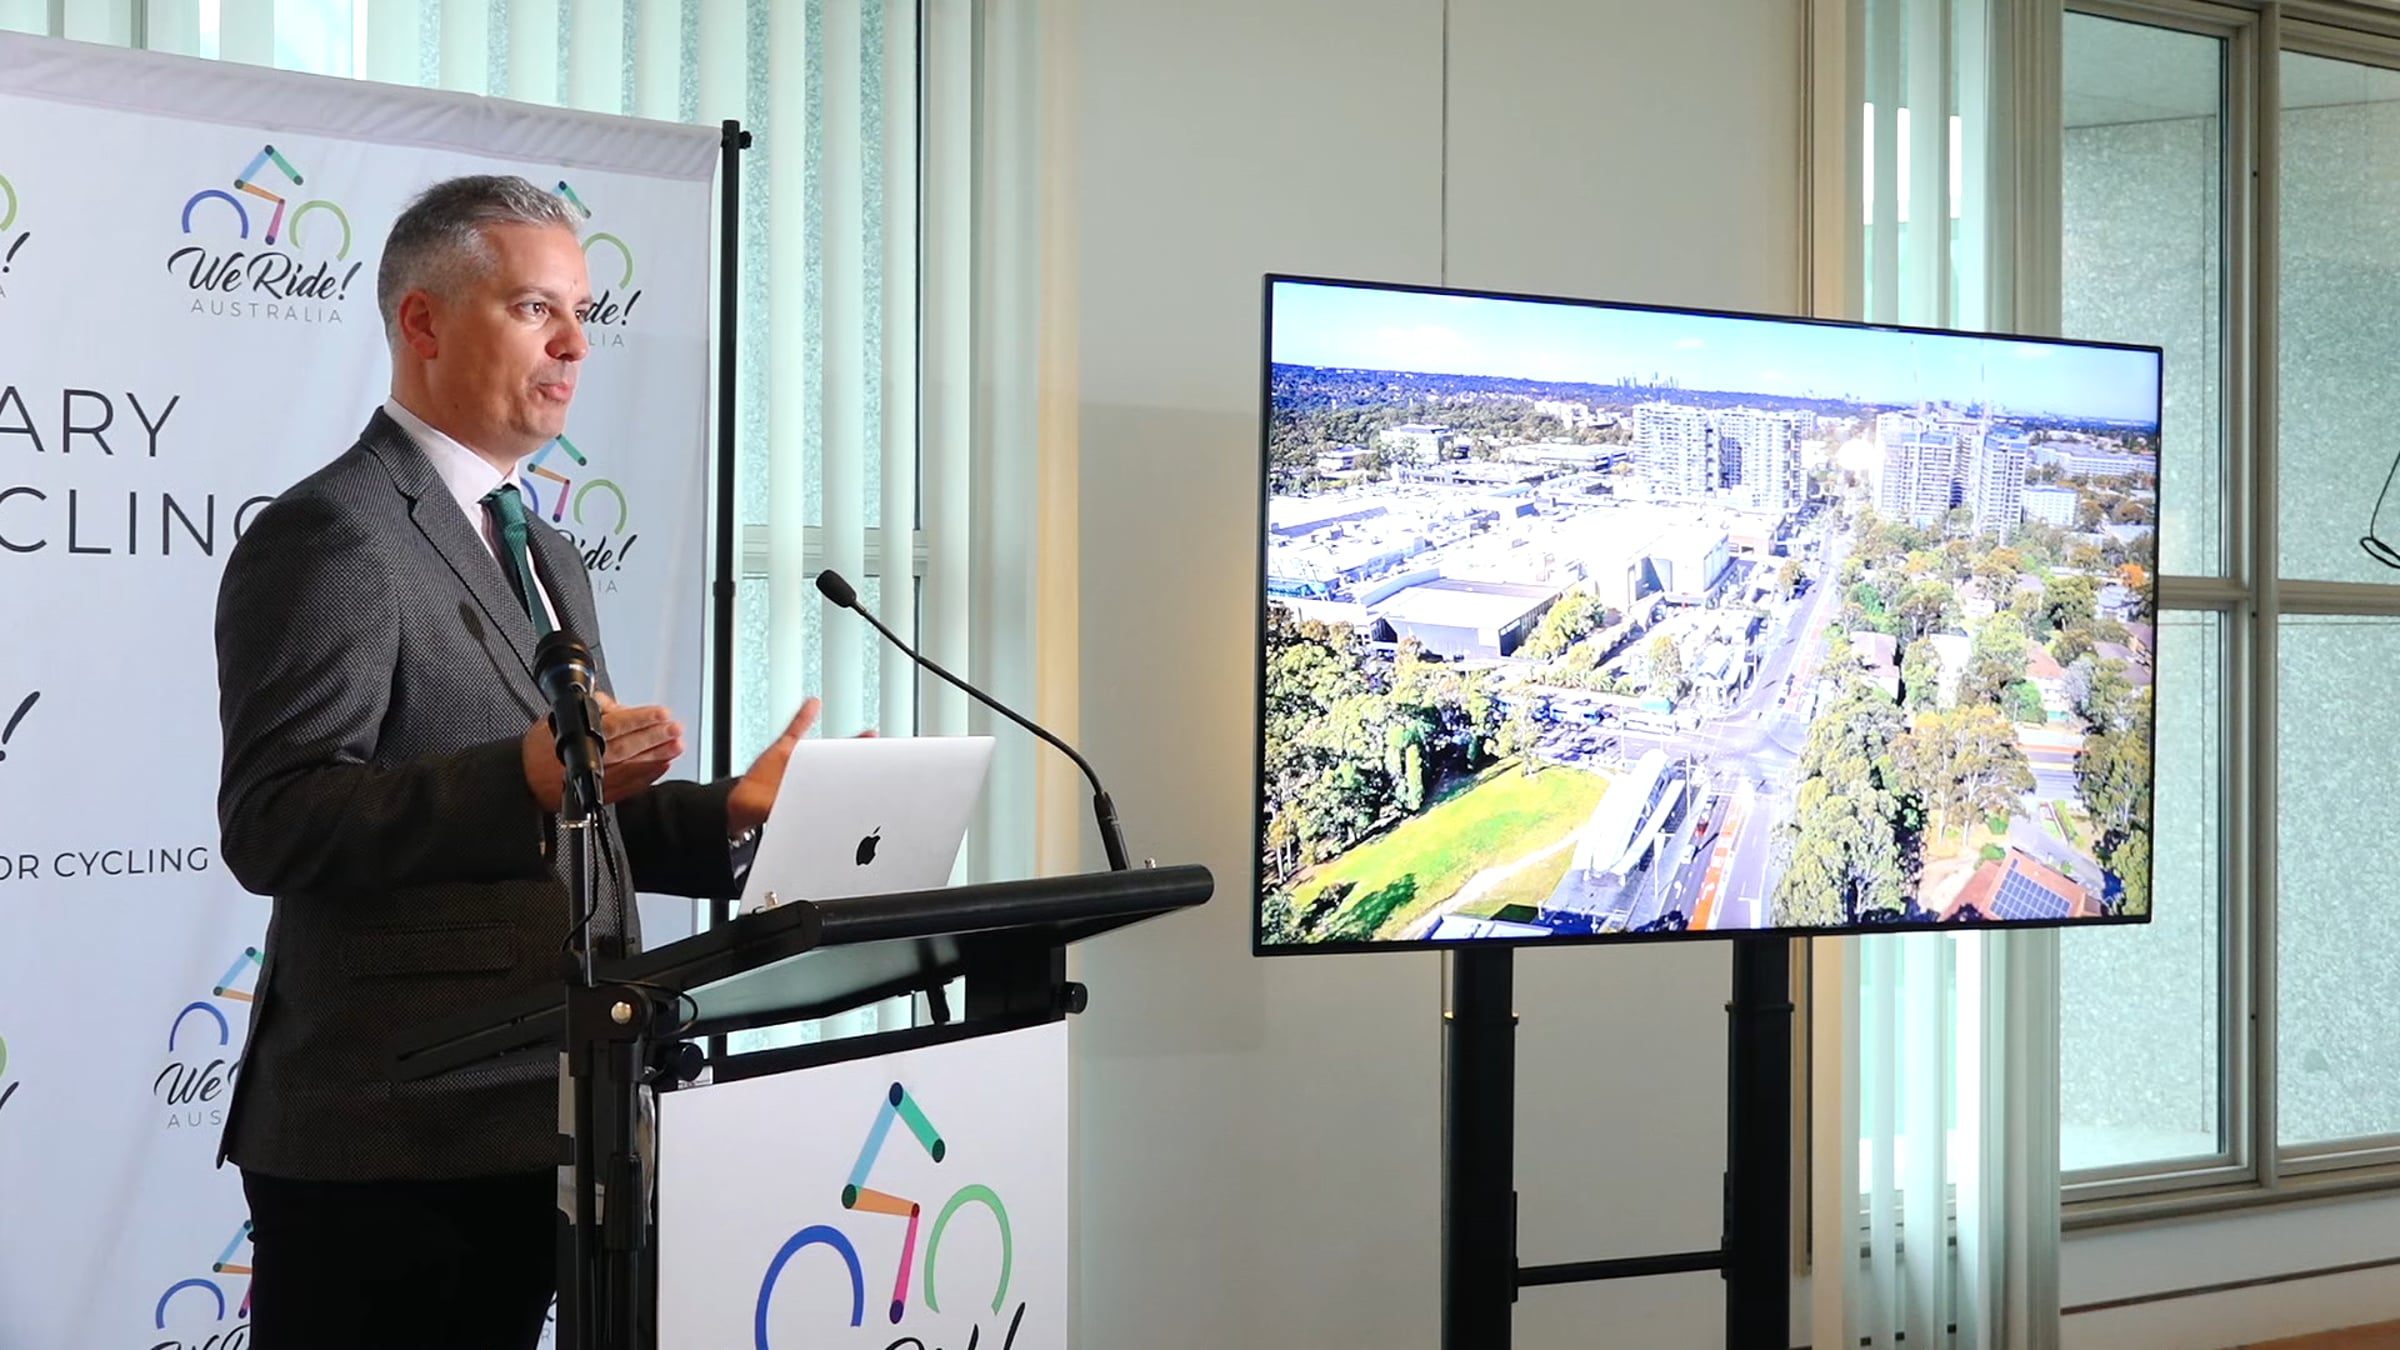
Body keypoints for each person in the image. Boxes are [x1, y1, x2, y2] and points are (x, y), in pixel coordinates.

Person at [212, 175, 815, 1350]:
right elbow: (278, 820)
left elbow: (574, 806)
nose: (576, 344)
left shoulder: (543, 546)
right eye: (537, 308)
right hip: (394, 1138)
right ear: (423, 322)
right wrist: (521, 778)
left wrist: (732, 816)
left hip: (564, 1102)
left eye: (581, 312)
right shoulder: (333, 535)